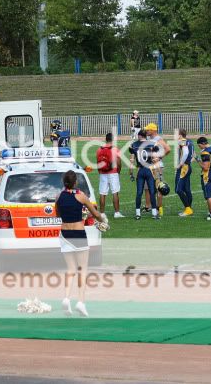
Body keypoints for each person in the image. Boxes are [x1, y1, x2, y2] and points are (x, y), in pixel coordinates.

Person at [55, 171, 107, 317]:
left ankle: (66, 298)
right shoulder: (81, 196)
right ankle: (81, 302)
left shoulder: (59, 196)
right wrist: (103, 221)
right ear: (75, 182)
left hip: (64, 234)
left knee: (70, 269)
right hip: (78, 234)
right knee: (82, 269)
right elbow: (96, 214)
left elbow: (58, 214)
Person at [129, 130, 159, 220]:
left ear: (139, 136)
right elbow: (155, 158)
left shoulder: (134, 145)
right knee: (152, 192)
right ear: (145, 136)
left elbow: (132, 161)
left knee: (139, 193)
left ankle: (138, 214)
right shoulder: (152, 143)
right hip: (149, 170)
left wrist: (131, 173)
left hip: (140, 170)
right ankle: (154, 213)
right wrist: (158, 172)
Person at [144, 123, 170, 216]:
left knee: (159, 187)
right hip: (149, 166)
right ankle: (148, 206)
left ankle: (160, 208)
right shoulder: (149, 139)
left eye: (148, 130)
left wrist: (159, 158)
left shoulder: (158, 139)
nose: (146, 131)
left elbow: (168, 149)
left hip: (157, 166)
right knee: (147, 187)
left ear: (153, 130)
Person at [96, 133, 123, 218]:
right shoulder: (115, 149)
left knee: (102, 193)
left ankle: (102, 213)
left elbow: (98, 162)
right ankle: (117, 213)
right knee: (115, 192)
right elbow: (118, 162)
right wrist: (118, 171)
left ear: (106, 139)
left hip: (103, 173)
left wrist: (100, 171)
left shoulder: (99, 149)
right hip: (113, 172)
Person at [196, 137, 211, 220]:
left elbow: (205, 167)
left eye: (199, 146)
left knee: (208, 195)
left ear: (203, 143)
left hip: (208, 174)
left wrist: (198, 160)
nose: (199, 147)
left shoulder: (205, 152)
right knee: (210, 192)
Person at [176, 129, 194, 217]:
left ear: (180, 135)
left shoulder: (182, 142)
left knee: (178, 189)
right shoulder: (190, 141)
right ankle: (189, 208)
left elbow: (186, 152)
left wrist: (180, 164)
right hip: (188, 167)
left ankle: (188, 209)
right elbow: (193, 154)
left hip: (184, 168)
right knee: (187, 189)